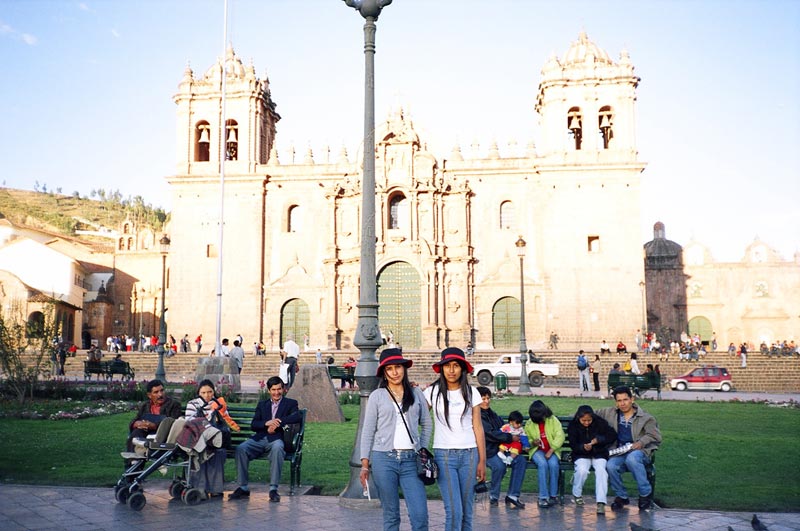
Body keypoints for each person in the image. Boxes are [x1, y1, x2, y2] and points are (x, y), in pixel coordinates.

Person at [360, 349, 432, 531]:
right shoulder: (377, 396)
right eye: (389, 368)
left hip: (411, 462)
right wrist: (364, 464)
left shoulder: (416, 393)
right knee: (391, 516)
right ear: (384, 372)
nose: (395, 372)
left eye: (398, 367)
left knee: (420, 515)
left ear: (404, 368)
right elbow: (368, 431)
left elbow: (427, 424)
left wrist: (421, 449)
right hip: (384, 459)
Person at [423, 347, 486, 530]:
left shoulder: (471, 392)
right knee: (454, 510)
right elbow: (417, 419)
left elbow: (478, 427)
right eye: (447, 366)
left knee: (467, 511)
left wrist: (482, 460)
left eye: (456, 366)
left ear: (462, 369)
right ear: (441, 368)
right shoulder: (432, 393)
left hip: (470, 455)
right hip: (444, 456)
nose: (451, 370)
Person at [229, 376, 302, 503]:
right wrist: (267, 424)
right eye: (273, 390)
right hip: (260, 438)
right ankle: (243, 487)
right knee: (241, 448)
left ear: (283, 389)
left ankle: (273, 489)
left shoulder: (291, 403)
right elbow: (254, 424)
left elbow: (296, 417)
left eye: (279, 389)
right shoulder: (263, 405)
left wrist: (277, 423)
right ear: (269, 390)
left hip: (277, 439)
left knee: (278, 448)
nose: (276, 392)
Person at [596, 386, 662, 512]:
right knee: (610, 465)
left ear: (632, 399)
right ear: (616, 402)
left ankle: (645, 493)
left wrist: (641, 442)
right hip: (620, 452)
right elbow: (588, 413)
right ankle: (621, 496)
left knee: (632, 458)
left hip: (640, 452)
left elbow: (655, 435)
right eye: (619, 400)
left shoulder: (645, 417)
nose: (623, 403)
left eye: (625, 399)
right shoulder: (610, 413)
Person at [184, 379, 240, 498]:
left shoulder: (219, 403)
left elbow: (226, 419)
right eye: (203, 392)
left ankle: (215, 488)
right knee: (199, 451)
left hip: (216, 440)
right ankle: (200, 489)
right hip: (198, 439)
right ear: (199, 392)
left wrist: (218, 411)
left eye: (210, 392)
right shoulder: (193, 404)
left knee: (219, 452)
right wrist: (209, 416)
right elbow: (189, 423)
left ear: (213, 392)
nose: (207, 395)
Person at [477, 386, 527, 509]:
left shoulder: (492, 414)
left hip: (502, 448)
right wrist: (510, 438)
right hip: (488, 451)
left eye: (488, 398)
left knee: (520, 460)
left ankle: (513, 495)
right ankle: (494, 496)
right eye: (483, 398)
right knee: (499, 466)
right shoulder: (477, 416)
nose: (487, 401)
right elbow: (490, 434)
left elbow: (503, 427)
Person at [567, 404, 617, 514]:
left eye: (589, 420)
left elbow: (612, 435)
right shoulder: (573, 426)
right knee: (582, 470)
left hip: (599, 453)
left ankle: (601, 502)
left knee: (601, 472)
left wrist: (599, 440)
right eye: (583, 420)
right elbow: (573, 444)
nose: (586, 423)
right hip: (581, 454)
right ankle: (577, 493)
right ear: (578, 418)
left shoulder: (600, 422)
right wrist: (583, 447)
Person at [524, 400, 565, 508]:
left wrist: (552, 450)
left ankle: (553, 495)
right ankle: (543, 497)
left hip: (552, 449)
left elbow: (560, 436)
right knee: (542, 464)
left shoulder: (553, 420)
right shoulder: (529, 423)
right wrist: (533, 442)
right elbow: (526, 440)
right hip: (537, 450)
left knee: (553, 465)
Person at [127, 379, 182, 452]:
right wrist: (136, 423)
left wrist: (154, 425)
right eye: (156, 392)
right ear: (149, 395)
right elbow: (136, 419)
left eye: (162, 391)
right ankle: (133, 461)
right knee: (135, 434)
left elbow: (174, 423)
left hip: (163, 436)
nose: (160, 394)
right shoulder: (145, 406)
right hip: (146, 433)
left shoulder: (173, 404)